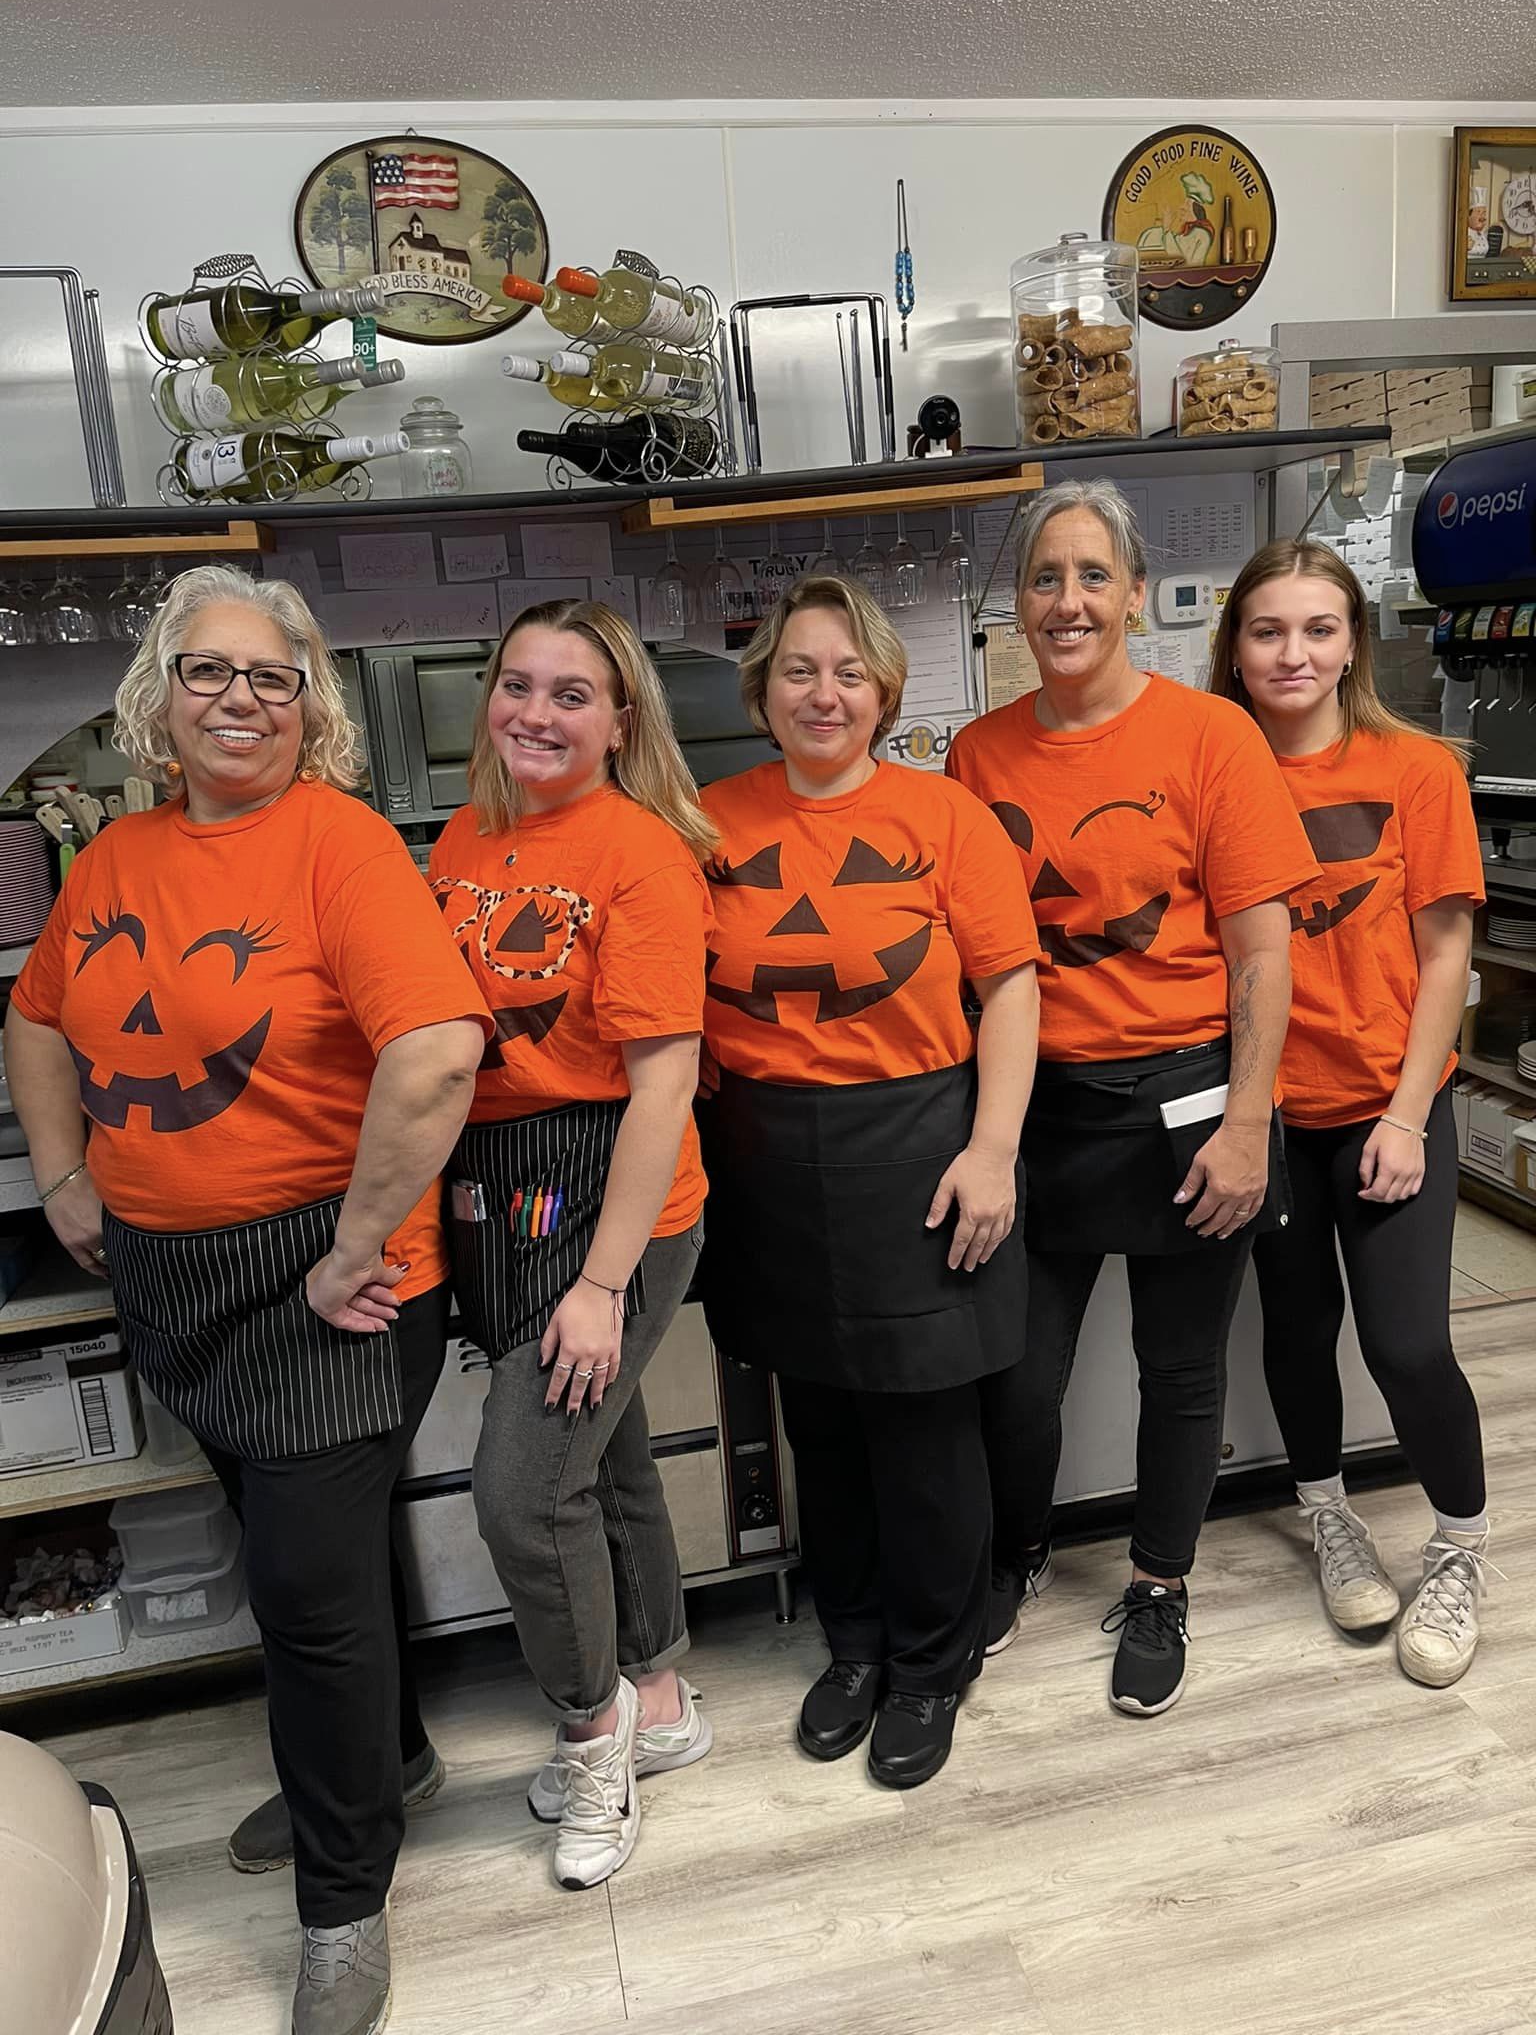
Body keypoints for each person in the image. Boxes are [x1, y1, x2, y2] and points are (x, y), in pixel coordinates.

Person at [4, 565, 491, 2035]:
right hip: (174, 1282)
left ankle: (344, 1902)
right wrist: (65, 1172)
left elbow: (439, 1051)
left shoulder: (337, 845)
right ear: (158, 698)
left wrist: (352, 1244)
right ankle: (384, 1762)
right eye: (209, 671)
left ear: (310, 707)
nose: (239, 698)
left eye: (273, 676)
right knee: (304, 1562)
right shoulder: (119, 856)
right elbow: (37, 1013)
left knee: (306, 1596)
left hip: (330, 1292)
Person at [946, 481, 1318, 1717]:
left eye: (1093, 575)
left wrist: (1250, 1123)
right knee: (1017, 1376)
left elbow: (1263, 950)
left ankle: (1160, 1580)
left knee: (1182, 1367)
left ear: (1137, 596)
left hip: (1189, 1101)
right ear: (1018, 604)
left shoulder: (1212, 739)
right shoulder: (977, 755)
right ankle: (1018, 1550)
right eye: (1045, 577)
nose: (1069, 601)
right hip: (1038, 1107)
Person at [697, 575, 1040, 1789]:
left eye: (849, 672)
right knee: (821, 1420)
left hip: (918, 1141)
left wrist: (992, 1150)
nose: (824, 692)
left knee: (924, 1425)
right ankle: (853, 1642)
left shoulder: (945, 816)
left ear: (885, 694)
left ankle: (934, 1661)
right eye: (799, 669)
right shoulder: (708, 822)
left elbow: (1010, 988)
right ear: (762, 692)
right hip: (768, 1156)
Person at [428, 599, 716, 1892]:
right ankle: (658, 1697)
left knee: (526, 1491)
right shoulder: (466, 837)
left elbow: (664, 1087)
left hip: (615, 1201)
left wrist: (603, 1284)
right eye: (518, 684)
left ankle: (592, 1735)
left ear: (619, 719)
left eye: (571, 694)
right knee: (605, 1456)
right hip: (499, 1191)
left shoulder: (639, 853)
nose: (536, 713)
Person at [1209, 539, 1493, 1686]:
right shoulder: (1213, 772)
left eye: (1318, 628)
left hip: (1389, 1102)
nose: (1294, 652)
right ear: (1235, 645)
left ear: (1352, 643)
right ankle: (1328, 1512)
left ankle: (1462, 1545)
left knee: (1407, 1343)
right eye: (1269, 629)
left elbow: (1447, 954)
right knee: (1294, 1326)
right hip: (1270, 1116)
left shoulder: (1416, 769)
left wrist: (1410, 1115)